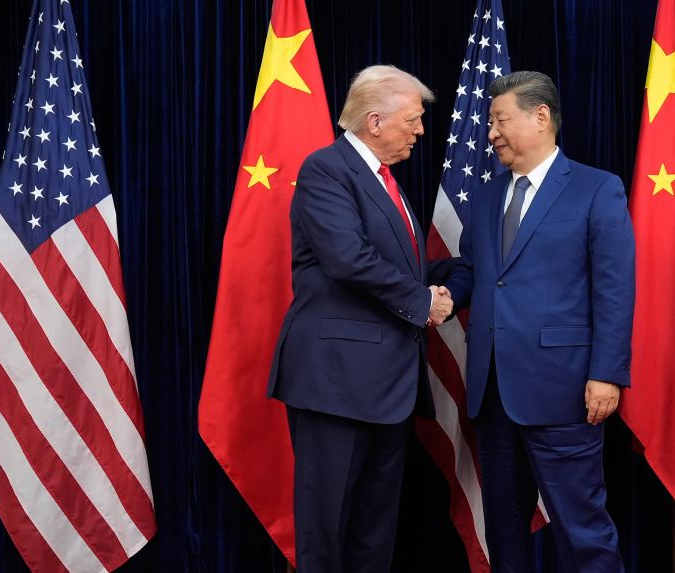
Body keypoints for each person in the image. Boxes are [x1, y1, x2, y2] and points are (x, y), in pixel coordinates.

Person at [444, 71, 635, 572]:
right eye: (489, 122)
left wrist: (607, 374)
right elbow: (474, 271)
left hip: (566, 391)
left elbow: (614, 290)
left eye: (500, 120)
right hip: (493, 395)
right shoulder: (487, 198)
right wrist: (442, 297)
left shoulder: (597, 189)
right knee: (505, 535)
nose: (490, 134)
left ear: (541, 117)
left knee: (582, 530)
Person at [267, 65, 453, 573]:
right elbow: (348, 259)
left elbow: (398, 264)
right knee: (326, 533)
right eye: (413, 120)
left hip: (387, 387)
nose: (419, 130)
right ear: (375, 121)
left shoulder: (385, 180)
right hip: (336, 382)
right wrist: (423, 301)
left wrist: (456, 276)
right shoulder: (327, 169)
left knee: (374, 533)